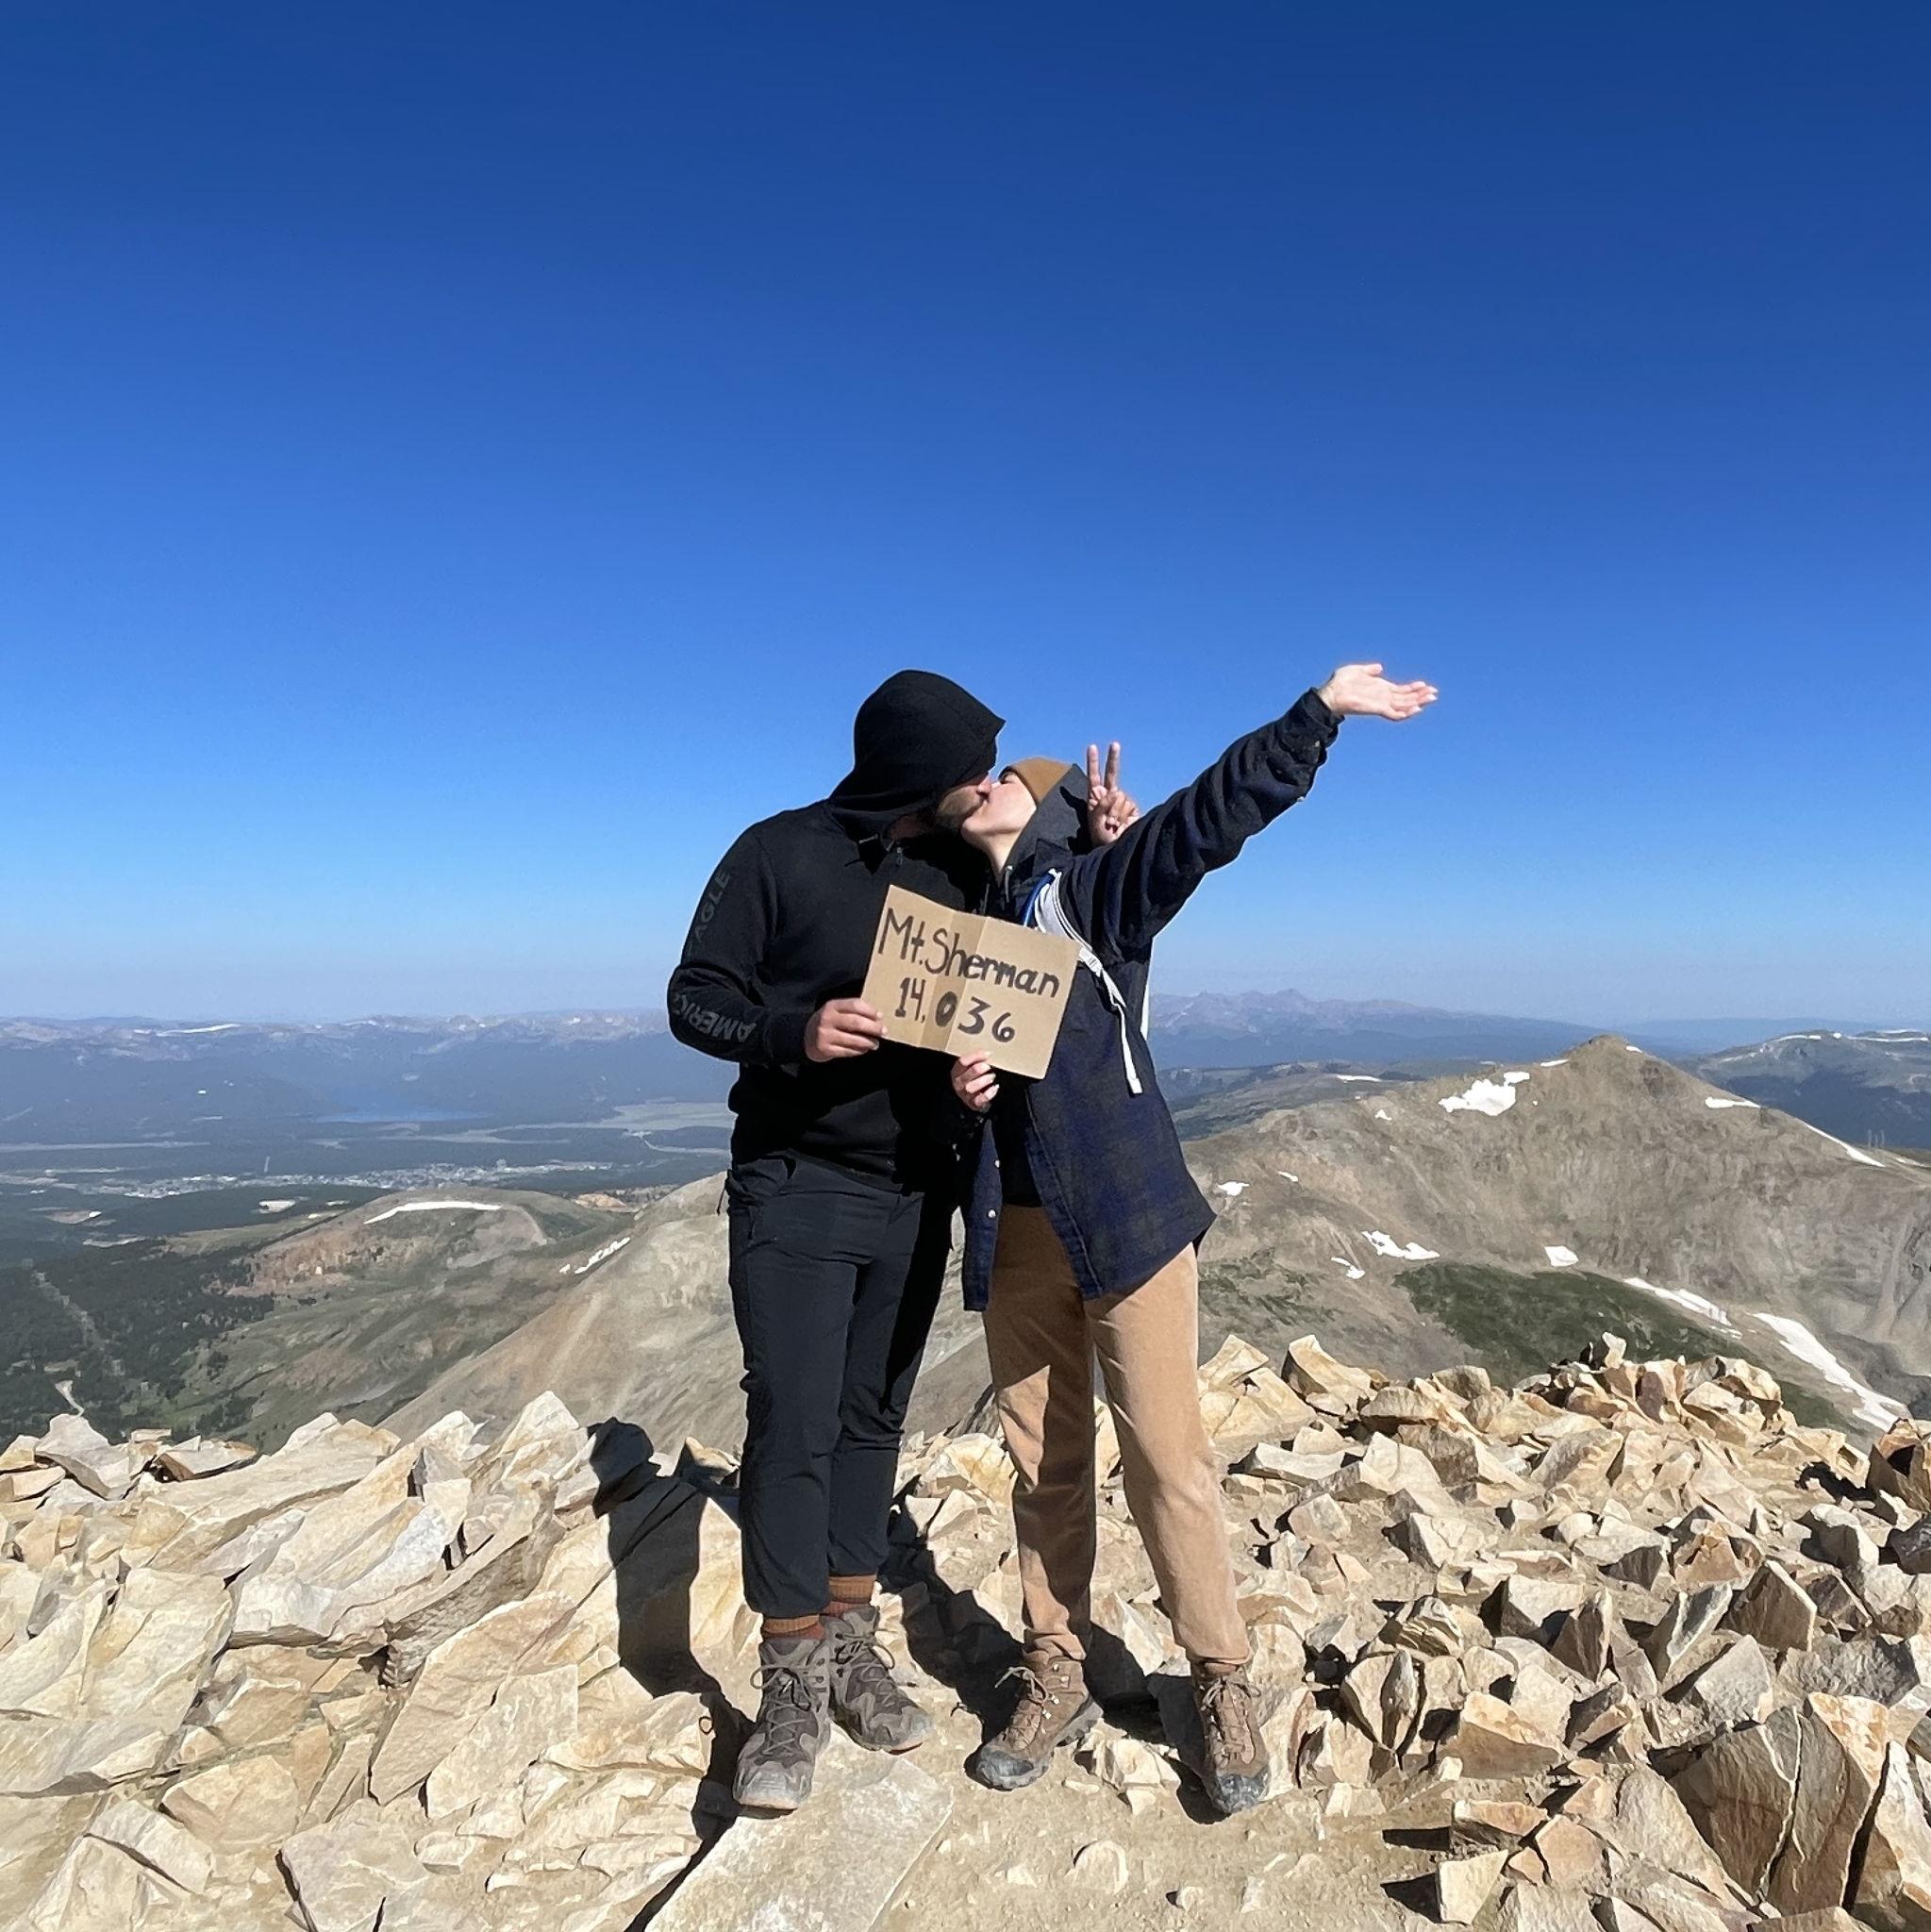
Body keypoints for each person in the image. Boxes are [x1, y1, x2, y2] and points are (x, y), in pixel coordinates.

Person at [947, 662, 1437, 1816]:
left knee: (1168, 1457)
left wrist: (1313, 717)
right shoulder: (961, 933)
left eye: (1008, 779)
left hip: (1126, 1221)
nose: (987, 784)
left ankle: (1219, 1676)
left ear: (1056, 809)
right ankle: (1056, 1663)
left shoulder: (1088, 894)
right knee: (1042, 1463)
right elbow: (952, 1085)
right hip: (1016, 1225)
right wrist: (961, 1089)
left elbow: (1203, 824)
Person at [667, 668, 1003, 1812]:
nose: (987, 784)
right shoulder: (777, 852)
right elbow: (692, 998)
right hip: (796, 1181)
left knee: (871, 1422)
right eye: (969, 766)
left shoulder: (960, 868)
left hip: (916, 1187)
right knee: (795, 1424)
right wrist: (794, 1030)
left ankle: (848, 1641)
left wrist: (971, 1074)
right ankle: (790, 1683)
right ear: (915, 768)